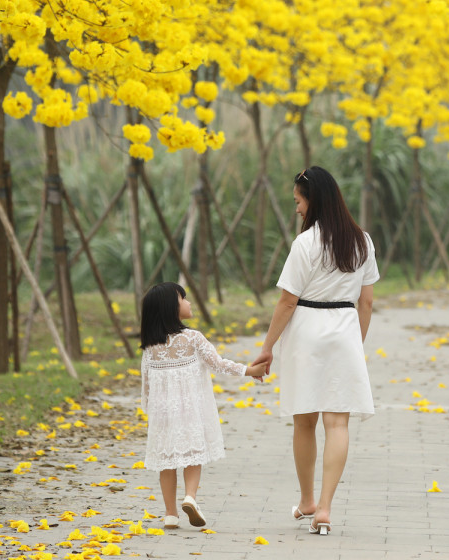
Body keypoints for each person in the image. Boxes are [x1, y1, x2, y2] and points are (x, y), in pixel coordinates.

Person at [257, 165, 378, 536]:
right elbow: (367, 303)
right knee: (337, 423)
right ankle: (324, 508)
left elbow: (287, 301)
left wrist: (266, 348)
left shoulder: (305, 243)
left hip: (307, 330)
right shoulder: (362, 241)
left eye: (298, 201)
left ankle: (307, 499)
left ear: (313, 200)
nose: (296, 209)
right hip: (344, 330)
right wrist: (354, 344)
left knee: (304, 420)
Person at [139, 282, 267, 529]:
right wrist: (249, 370)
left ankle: (170, 514)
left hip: (162, 414)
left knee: (167, 462)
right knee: (192, 455)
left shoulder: (150, 347)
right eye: (183, 299)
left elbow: (146, 385)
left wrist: (150, 411)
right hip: (190, 410)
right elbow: (218, 364)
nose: (188, 303)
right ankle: (190, 497)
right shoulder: (193, 338)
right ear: (170, 308)